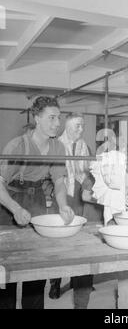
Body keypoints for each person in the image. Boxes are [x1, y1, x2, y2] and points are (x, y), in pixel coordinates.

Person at [0, 96, 74, 309]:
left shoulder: (58, 147)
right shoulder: (17, 145)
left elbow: (59, 182)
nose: (57, 123)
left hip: (37, 200)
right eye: (52, 118)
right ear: (36, 118)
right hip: (10, 201)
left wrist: (63, 205)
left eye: (58, 118)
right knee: (8, 272)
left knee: (36, 268)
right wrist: (15, 209)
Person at [49, 112, 94, 309]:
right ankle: (55, 281)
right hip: (63, 196)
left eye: (82, 126)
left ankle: (81, 286)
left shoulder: (85, 146)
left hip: (81, 198)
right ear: (66, 126)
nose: (81, 130)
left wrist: (87, 185)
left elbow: (91, 173)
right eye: (77, 126)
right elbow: (47, 176)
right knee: (60, 246)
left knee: (82, 244)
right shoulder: (55, 145)